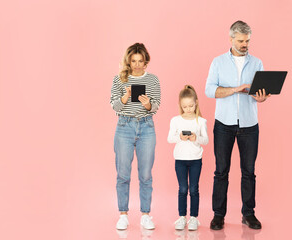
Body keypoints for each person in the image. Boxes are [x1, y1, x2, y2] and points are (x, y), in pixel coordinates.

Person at [205, 20, 271, 230]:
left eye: (247, 41)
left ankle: (248, 214)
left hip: (249, 124)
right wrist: (234, 89)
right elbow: (209, 91)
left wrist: (262, 97)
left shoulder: (257, 63)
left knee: (248, 172)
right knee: (221, 171)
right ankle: (218, 215)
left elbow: (259, 94)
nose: (245, 44)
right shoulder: (217, 62)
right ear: (231, 39)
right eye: (241, 40)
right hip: (224, 123)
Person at [110, 43, 161, 230]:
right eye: (134, 61)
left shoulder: (153, 80)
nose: (137, 65)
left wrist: (148, 105)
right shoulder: (119, 80)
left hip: (146, 126)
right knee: (123, 174)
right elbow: (114, 106)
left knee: (146, 174)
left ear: (145, 61)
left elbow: (156, 105)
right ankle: (123, 214)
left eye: (140, 61)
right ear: (128, 61)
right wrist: (125, 97)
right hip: (124, 126)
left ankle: (145, 215)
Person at [167, 85, 208, 231]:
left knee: (194, 188)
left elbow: (206, 140)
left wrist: (196, 138)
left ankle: (194, 218)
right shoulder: (175, 120)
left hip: (196, 159)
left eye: (191, 106)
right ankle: (182, 217)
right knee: (183, 188)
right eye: (185, 107)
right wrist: (180, 137)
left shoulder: (201, 121)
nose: (188, 109)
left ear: (196, 103)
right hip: (180, 159)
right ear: (180, 106)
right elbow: (169, 138)